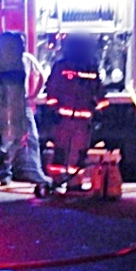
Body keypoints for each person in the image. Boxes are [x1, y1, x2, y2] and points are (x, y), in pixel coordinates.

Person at [0, 32, 52, 188]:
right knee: (23, 138)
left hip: (6, 106)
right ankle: (27, 171)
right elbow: (41, 75)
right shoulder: (21, 61)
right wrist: (32, 95)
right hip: (19, 104)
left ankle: (5, 172)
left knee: (7, 140)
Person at [44, 34, 106, 186]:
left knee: (78, 154)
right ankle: (57, 183)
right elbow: (52, 91)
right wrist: (53, 110)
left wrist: (100, 113)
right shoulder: (63, 67)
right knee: (61, 153)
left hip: (79, 122)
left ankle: (74, 183)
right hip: (66, 120)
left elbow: (99, 93)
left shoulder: (88, 68)